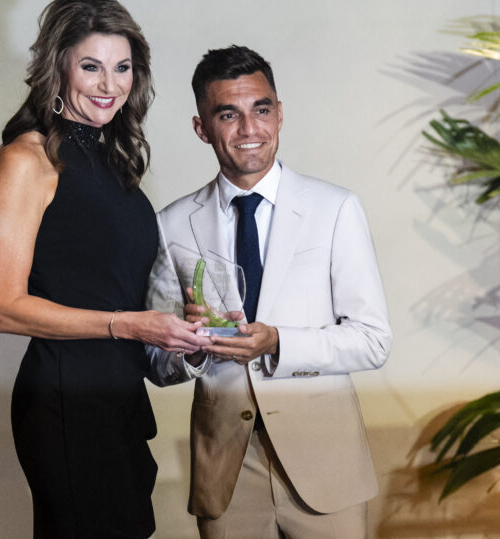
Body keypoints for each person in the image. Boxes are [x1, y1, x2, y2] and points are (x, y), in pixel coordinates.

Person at [0, 0, 209, 538]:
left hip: (120, 398)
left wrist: (181, 317)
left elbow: (113, 282)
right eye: (91, 67)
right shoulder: (26, 159)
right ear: (58, 67)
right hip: (64, 401)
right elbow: (0, 308)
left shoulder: (113, 159)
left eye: (123, 67)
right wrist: (127, 324)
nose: (110, 85)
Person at [146, 45, 392, 538]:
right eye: (228, 115)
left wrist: (278, 341)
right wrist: (190, 347)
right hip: (227, 470)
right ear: (202, 128)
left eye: (261, 110)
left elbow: (372, 340)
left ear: (279, 115)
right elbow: (156, 361)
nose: (249, 129)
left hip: (325, 465)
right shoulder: (172, 224)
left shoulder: (335, 209)